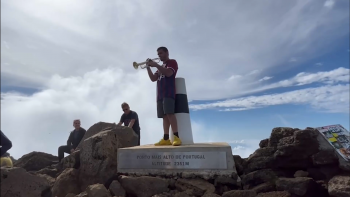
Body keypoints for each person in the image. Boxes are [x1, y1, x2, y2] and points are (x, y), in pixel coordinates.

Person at [146, 46, 182, 146]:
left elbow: (169, 73)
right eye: (158, 54)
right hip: (160, 94)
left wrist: (156, 65)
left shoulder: (172, 62)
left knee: (170, 114)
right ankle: (166, 138)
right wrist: (148, 67)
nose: (159, 56)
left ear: (167, 53)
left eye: (161, 53)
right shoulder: (160, 67)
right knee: (164, 116)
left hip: (168, 92)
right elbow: (153, 78)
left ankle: (177, 137)